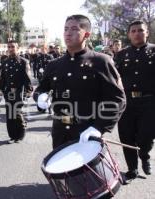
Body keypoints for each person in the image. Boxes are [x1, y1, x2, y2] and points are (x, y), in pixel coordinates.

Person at [34, 14, 126, 151]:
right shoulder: (54, 65)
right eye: (65, 29)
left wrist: (99, 128)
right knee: (62, 171)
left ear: (86, 34)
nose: (68, 33)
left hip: (87, 131)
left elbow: (117, 99)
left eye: (74, 29)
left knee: (87, 173)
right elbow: (41, 89)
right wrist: (40, 97)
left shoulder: (101, 61)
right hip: (60, 131)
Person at [115, 20, 155, 179]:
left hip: (149, 102)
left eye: (140, 30)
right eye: (133, 31)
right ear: (129, 34)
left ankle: (144, 155)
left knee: (147, 135)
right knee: (127, 136)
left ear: (147, 33)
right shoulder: (121, 54)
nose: (137, 33)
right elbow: (114, 78)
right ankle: (132, 169)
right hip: (127, 102)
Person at [0, 40, 33, 144]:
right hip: (8, 92)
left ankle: (20, 134)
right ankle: (12, 136)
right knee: (9, 114)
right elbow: (2, 78)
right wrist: (0, 90)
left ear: (17, 48)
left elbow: (27, 78)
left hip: (19, 91)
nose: (10, 49)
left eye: (12, 47)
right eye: (9, 47)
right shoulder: (5, 62)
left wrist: (28, 90)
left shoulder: (23, 61)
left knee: (17, 113)